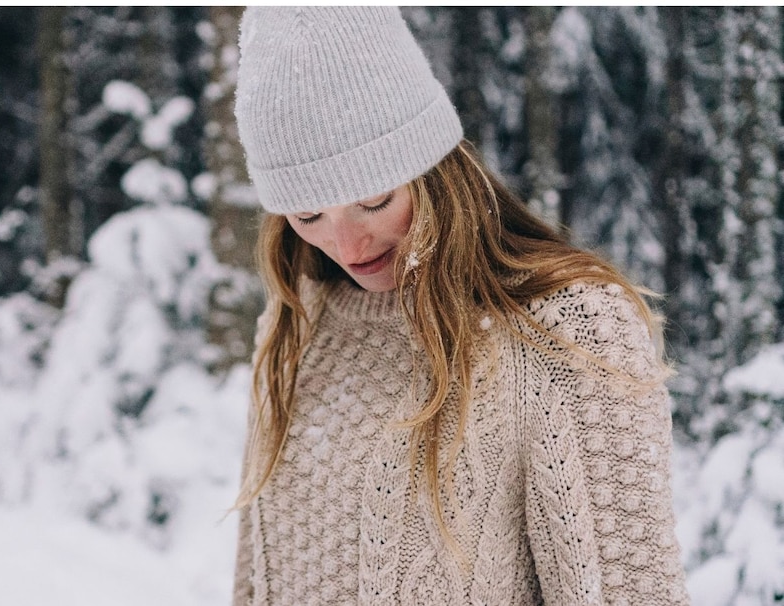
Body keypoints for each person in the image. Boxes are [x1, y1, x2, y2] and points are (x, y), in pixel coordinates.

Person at [231, 6, 690, 605]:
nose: (346, 245)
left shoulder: (570, 332)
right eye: (309, 214)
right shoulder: (299, 322)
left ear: (433, 170)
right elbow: (257, 579)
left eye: (373, 200)